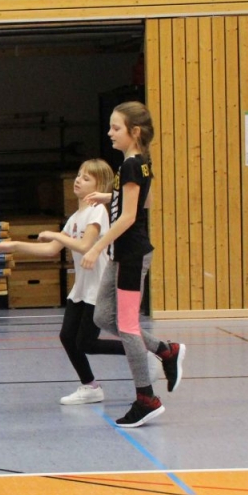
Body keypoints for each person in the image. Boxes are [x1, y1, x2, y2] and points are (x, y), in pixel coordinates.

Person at [82, 102, 184, 427]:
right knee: (103, 316)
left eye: (116, 128)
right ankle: (165, 350)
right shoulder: (137, 163)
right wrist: (107, 197)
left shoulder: (131, 166)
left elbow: (130, 216)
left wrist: (96, 247)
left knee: (127, 327)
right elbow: (144, 202)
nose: (110, 133)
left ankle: (146, 398)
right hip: (122, 254)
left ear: (134, 131)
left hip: (130, 254)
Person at [0, 159, 125, 405]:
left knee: (86, 342)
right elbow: (51, 250)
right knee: (67, 337)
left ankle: (141, 353)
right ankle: (90, 386)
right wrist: (15, 245)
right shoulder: (75, 216)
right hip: (82, 287)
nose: (78, 180)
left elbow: (85, 246)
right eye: (78, 175)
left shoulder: (97, 211)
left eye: (86, 178)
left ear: (100, 185)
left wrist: (54, 234)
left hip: (99, 286)